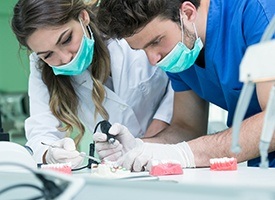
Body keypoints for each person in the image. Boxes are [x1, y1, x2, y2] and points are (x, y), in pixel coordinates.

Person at [93, 0, 275, 171]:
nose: (153, 60)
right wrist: (139, 147)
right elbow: (187, 128)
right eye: (141, 50)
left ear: (187, 13)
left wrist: (185, 154)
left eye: (156, 42)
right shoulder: (182, 48)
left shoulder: (257, 12)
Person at [11, 0, 174, 168]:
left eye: (66, 39)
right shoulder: (42, 67)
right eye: (48, 55)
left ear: (83, 17)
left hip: (176, 151)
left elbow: (179, 82)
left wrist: (151, 136)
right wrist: (50, 153)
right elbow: (41, 132)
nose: (65, 59)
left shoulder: (127, 26)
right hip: (121, 168)